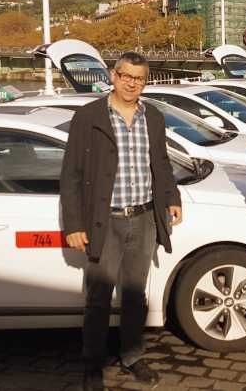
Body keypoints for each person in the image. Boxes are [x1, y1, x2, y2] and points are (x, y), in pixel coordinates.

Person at [60, 52, 183, 390]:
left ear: (146, 81)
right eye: (126, 76)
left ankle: (132, 355)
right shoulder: (89, 117)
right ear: (113, 76)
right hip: (105, 221)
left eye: (139, 78)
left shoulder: (152, 117)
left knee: (134, 295)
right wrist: (73, 225)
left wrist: (172, 197)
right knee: (99, 297)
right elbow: (70, 175)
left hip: (142, 219)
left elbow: (161, 163)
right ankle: (92, 363)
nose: (132, 83)